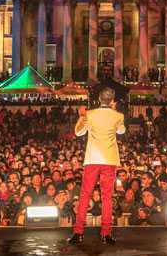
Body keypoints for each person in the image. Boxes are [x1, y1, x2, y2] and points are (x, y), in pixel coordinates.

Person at [67, 88, 126, 245]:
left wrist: (81, 116)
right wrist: (114, 112)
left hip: (93, 159)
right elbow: (122, 130)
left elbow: (78, 133)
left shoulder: (90, 114)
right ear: (112, 99)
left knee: (85, 195)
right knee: (107, 197)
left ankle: (78, 233)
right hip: (109, 160)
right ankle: (106, 234)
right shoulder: (118, 116)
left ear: (99, 99)